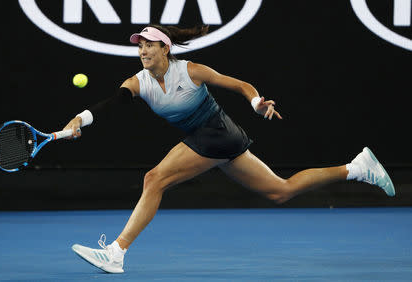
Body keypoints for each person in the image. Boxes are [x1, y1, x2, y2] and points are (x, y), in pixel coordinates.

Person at [65, 25, 395, 273]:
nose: (143, 51)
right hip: (215, 140)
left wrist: (255, 102)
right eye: (140, 46)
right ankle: (357, 168)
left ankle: (117, 253)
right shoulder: (138, 83)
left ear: (165, 49)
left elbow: (238, 85)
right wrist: (79, 119)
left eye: (150, 45)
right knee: (280, 191)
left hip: (217, 133)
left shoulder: (191, 71)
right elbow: (110, 104)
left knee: (155, 179)